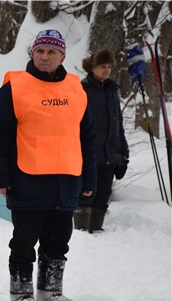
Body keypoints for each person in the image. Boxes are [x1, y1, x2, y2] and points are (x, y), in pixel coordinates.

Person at [0, 29, 96, 301]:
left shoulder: (77, 88)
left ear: (63, 56)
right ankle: (21, 294)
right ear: (32, 54)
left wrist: (90, 177)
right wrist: (1, 177)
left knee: (58, 240)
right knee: (24, 240)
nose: (45, 56)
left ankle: (51, 292)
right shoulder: (15, 87)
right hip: (28, 179)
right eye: (40, 51)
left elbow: (87, 137)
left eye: (52, 51)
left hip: (67, 179)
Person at [74, 49, 129, 233]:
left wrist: (123, 152)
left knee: (103, 193)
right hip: (89, 151)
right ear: (92, 67)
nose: (106, 70)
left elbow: (118, 125)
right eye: (102, 66)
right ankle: (82, 228)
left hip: (110, 152)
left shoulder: (112, 91)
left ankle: (96, 228)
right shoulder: (82, 89)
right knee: (86, 191)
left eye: (109, 67)